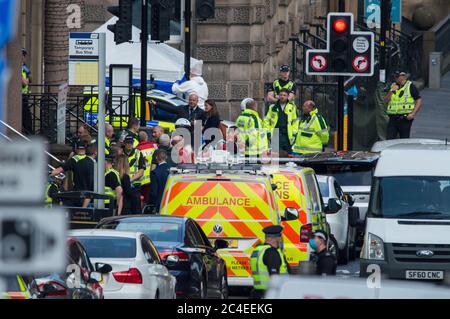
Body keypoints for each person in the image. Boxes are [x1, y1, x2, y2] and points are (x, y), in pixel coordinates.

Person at [250, 225, 290, 299]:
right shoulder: (272, 253)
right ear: (276, 238)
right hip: (271, 293)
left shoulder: (258, 250)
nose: (281, 239)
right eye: (280, 237)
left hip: (258, 293)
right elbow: (274, 277)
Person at [383, 71, 423, 139]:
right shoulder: (393, 85)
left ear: (403, 76)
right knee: (389, 140)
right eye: (395, 77)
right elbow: (385, 100)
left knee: (404, 140)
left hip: (405, 118)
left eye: (397, 76)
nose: (395, 78)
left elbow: (419, 100)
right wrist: (391, 91)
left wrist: (413, 114)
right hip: (393, 118)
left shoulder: (410, 86)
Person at [50, 137, 89, 206]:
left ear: (76, 149)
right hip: (90, 192)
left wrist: (49, 174)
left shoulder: (74, 160)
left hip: (78, 192)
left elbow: (59, 170)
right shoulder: (90, 160)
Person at [264, 88, 298, 155]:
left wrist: (294, 134)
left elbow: (295, 122)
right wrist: (268, 133)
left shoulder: (292, 107)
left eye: (284, 95)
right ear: (278, 96)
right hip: (275, 133)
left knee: (288, 156)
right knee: (275, 155)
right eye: (281, 95)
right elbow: (266, 121)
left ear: (288, 96)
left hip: (287, 134)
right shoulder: (272, 107)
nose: (282, 96)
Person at [137, 131, 158, 203]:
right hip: (153, 177)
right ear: (146, 138)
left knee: (142, 200)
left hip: (141, 179)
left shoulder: (137, 149)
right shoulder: (154, 146)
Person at [147, 150, 170, 214]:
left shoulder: (155, 172)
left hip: (160, 204)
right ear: (166, 157)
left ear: (156, 158)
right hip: (172, 202)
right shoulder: (173, 170)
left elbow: (153, 193)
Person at [79, 143, 98, 208]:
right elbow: (92, 183)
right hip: (89, 198)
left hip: (77, 195)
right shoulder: (94, 165)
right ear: (95, 152)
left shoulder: (79, 162)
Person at [21, 48, 32, 134]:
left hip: (23, 96)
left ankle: (28, 134)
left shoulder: (24, 68)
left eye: (24, 55)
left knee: (27, 118)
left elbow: (26, 82)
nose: (23, 57)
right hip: (20, 96)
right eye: (22, 55)